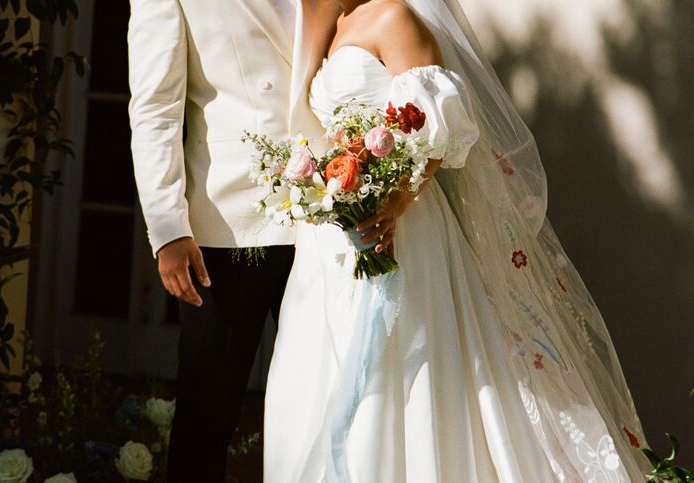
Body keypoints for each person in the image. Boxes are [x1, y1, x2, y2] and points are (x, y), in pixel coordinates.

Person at [264, 0, 651, 481]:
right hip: (333, 240)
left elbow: (436, 128)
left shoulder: (395, 17)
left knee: (408, 372)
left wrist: (396, 205)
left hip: (403, 226)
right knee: (318, 375)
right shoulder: (334, 26)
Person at [127, 0, 298, 480]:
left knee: (327, 400)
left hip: (328, 218)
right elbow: (156, 107)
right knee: (207, 413)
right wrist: (168, 227)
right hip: (230, 222)